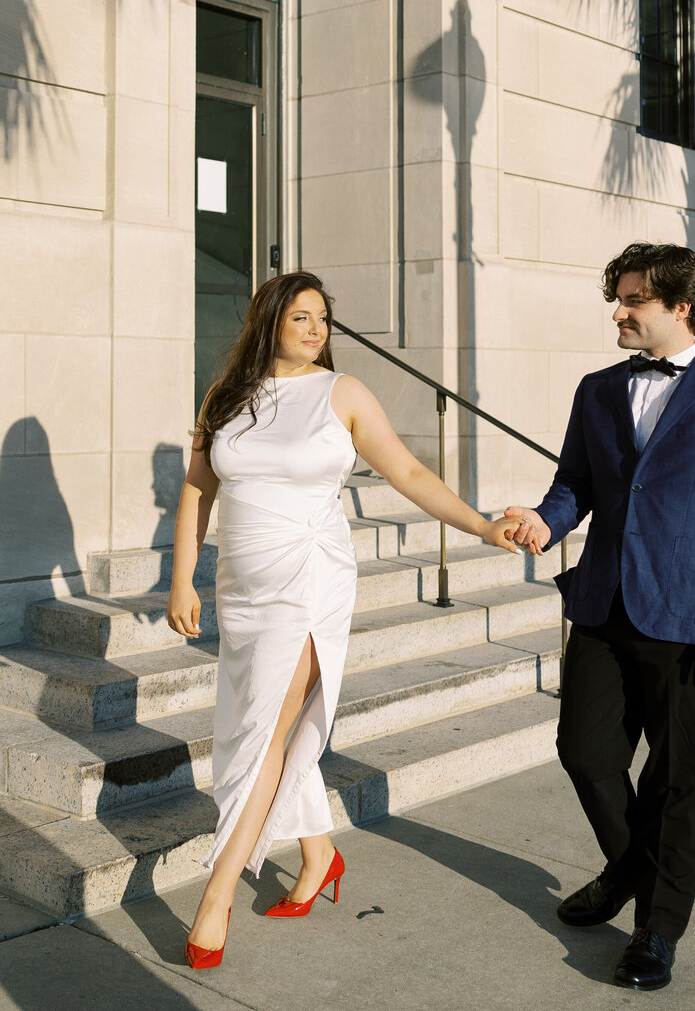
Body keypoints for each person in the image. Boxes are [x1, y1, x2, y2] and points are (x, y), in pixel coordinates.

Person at [167, 269, 527, 970]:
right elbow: (196, 490)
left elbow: (411, 475)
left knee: (262, 734)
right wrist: (181, 579)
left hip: (310, 580)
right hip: (243, 586)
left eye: (323, 319)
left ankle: (216, 899)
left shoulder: (344, 394)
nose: (314, 330)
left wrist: (482, 527)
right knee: (263, 726)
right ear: (268, 320)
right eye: (301, 317)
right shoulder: (226, 398)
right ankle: (320, 855)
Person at [506, 242, 695, 993]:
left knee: (678, 785)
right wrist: (544, 519)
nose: (618, 311)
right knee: (585, 752)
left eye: (633, 300)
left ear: (681, 308)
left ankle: (656, 930)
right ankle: (632, 869)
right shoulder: (597, 390)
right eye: (620, 297)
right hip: (603, 605)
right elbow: (574, 484)